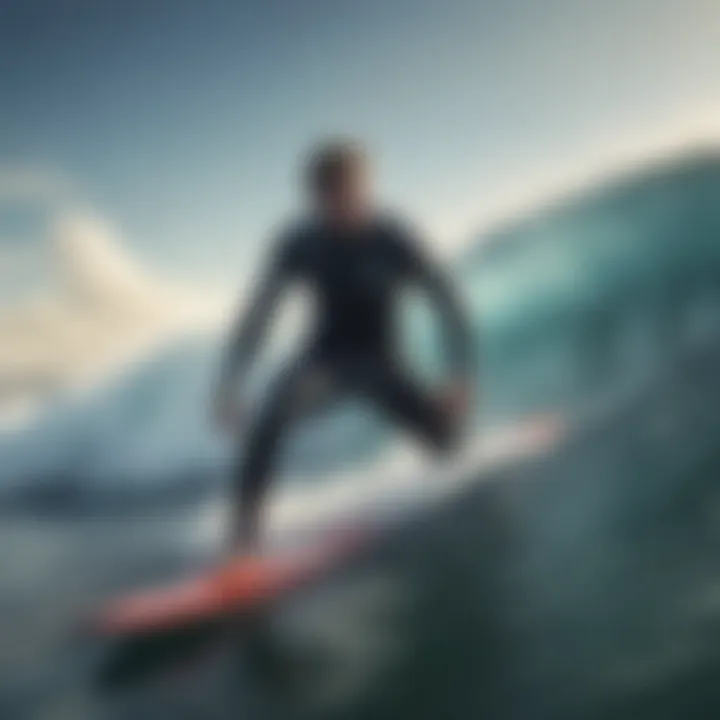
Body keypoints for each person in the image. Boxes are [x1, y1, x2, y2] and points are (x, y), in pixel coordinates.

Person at [213, 139, 477, 554]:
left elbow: (445, 298)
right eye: (330, 199)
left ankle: (455, 479)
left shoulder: (393, 236)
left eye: (351, 194)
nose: (342, 207)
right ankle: (241, 549)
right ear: (314, 199)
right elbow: (260, 314)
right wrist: (230, 383)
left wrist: (460, 374)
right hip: (325, 363)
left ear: (366, 188)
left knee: (448, 444)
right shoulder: (298, 243)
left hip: (383, 361)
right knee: (270, 417)